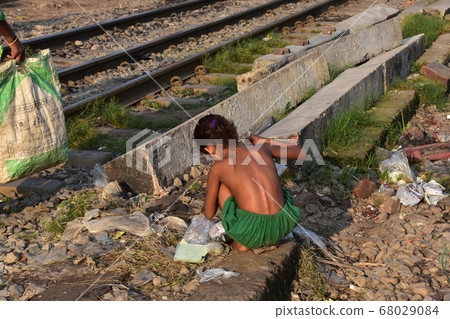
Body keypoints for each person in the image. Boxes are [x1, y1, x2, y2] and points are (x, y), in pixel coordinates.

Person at [194, 114, 304, 252]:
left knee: (224, 186)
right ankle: (272, 238)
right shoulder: (262, 148)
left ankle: (241, 242)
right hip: (283, 224)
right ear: (234, 134)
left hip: (251, 233)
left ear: (209, 148)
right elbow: (301, 152)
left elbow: (209, 214)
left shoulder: (218, 168)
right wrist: (265, 141)